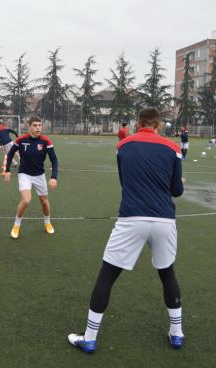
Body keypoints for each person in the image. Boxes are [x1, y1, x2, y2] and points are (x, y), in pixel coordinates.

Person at [68, 107, 185, 354]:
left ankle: (89, 338)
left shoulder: (123, 146)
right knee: (168, 274)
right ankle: (177, 333)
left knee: (107, 275)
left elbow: (125, 182)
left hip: (131, 218)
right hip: (164, 219)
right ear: (159, 124)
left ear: (137, 123)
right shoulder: (173, 148)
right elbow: (176, 191)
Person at [4, 116, 59, 239]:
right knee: (26, 200)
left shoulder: (46, 141)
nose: (38, 128)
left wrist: (54, 177)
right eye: (35, 125)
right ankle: (16, 225)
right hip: (25, 174)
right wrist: (7, 170)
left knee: (44, 202)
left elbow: (54, 160)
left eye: (39, 125)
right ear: (29, 127)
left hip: (39, 175)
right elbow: (11, 153)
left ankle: (47, 222)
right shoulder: (21, 140)